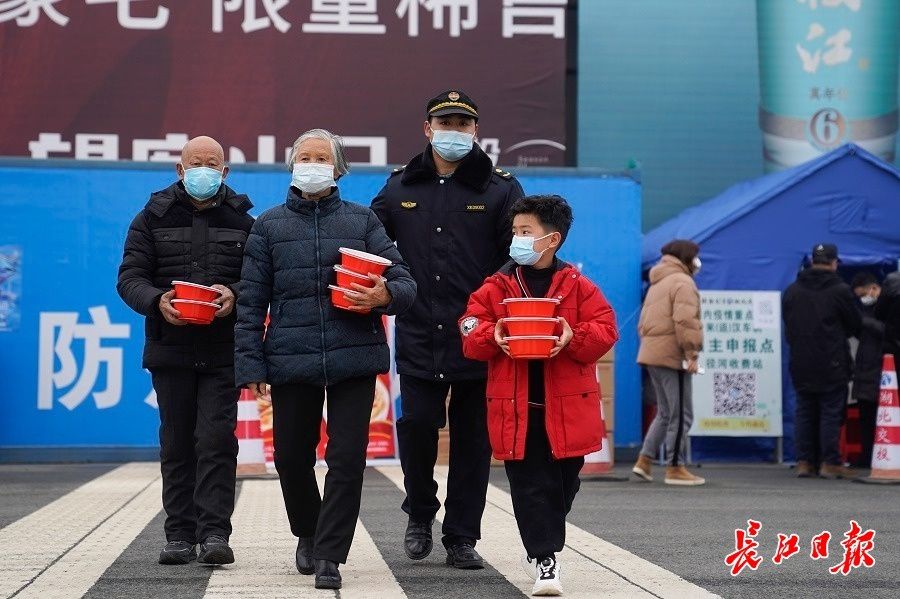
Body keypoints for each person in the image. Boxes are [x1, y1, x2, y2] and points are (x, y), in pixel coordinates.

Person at [234, 129, 416, 590]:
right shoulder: (269, 225)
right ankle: (308, 532)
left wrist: (383, 294)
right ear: (292, 165)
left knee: (346, 458)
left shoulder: (362, 222)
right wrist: (251, 364)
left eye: (321, 158)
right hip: (290, 359)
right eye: (304, 157)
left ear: (337, 169)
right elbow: (251, 303)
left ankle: (331, 553)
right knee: (292, 458)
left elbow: (405, 283)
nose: (312, 164)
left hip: (353, 356)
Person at [371, 90, 524, 568]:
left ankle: (461, 535)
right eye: (446, 122)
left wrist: (492, 304)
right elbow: (370, 243)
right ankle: (419, 512)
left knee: (473, 440)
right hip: (418, 330)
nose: (454, 131)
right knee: (416, 427)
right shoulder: (400, 186)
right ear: (427, 128)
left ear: (475, 131)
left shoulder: (500, 189)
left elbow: (517, 254)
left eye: (463, 124)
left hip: (480, 334)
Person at [459, 195, 618, 596]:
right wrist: (488, 334)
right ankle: (545, 559)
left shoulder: (579, 286)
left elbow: (606, 330)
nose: (517, 240)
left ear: (552, 239)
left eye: (525, 232)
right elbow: (468, 325)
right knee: (530, 486)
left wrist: (572, 336)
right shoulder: (496, 286)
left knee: (564, 485)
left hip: (567, 409)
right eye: (514, 232)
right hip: (517, 409)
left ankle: (543, 533)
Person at [117, 136, 253, 565]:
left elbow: (259, 279)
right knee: (177, 442)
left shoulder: (245, 221)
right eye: (196, 163)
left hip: (223, 349)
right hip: (170, 348)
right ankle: (179, 533)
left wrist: (234, 293)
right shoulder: (150, 218)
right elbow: (129, 278)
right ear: (180, 169)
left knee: (215, 440)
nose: (203, 171)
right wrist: (157, 301)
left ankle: (215, 533)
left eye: (212, 164)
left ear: (225, 172)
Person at [783, 244, 861, 479]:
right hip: (832, 360)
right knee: (830, 412)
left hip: (801, 360)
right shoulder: (840, 290)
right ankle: (830, 462)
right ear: (834, 263)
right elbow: (854, 326)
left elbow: (789, 328)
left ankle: (805, 462)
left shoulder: (793, 290)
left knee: (804, 411)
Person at [632, 239, 706, 486]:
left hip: (653, 353)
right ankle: (675, 467)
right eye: (696, 256)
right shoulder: (683, 282)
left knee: (665, 412)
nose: (698, 261)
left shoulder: (659, 280)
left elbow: (644, 322)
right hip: (672, 355)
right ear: (687, 257)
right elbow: (686, 322)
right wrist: (691, 353)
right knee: (681, 414)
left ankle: (644, 461)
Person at [851, 272, 884, 467]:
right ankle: (866, 456)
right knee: (866, 418)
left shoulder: (890, 306)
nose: (862, 298)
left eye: (863, 293)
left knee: (883, 417)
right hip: (865, 369)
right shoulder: (864, 310)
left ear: (873, 288)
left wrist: (865, 322)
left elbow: (888, 331)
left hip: (882, 370)